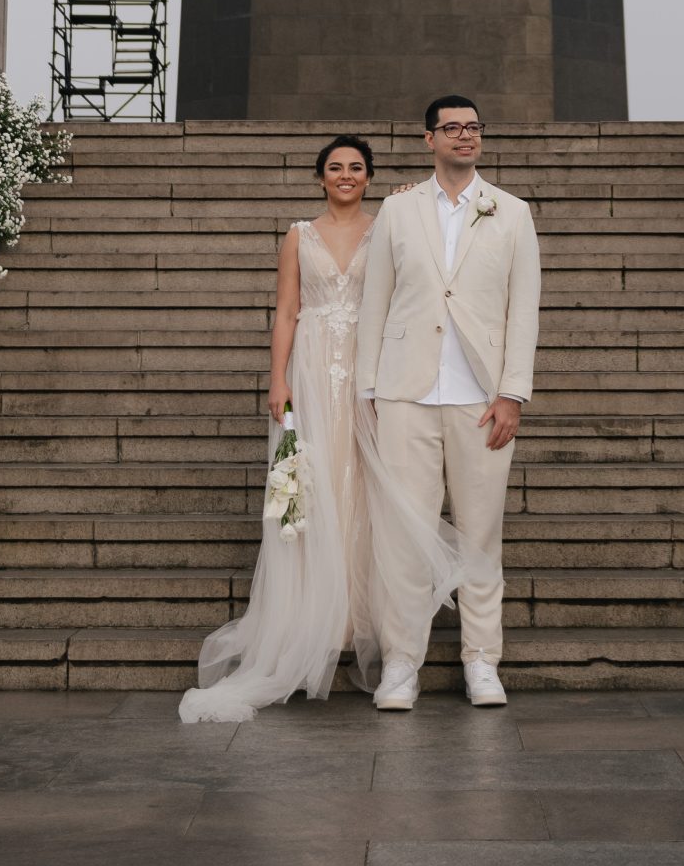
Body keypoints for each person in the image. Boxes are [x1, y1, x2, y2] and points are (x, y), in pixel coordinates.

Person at [178, 134, 461, 722]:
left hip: (366, 372)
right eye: (336, 167)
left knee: (366, 490)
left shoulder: (387, 225)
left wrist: (415, 200)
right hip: (309, 372)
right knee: (309, 490)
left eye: (357, 167)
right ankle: (310, 626)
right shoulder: (297, 236)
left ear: (370, 176)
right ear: (320, 177)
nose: (346, 175)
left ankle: (365, 623)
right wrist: (276, 378)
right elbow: (285, 310)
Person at [356, 94, 541, 708]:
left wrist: (513, 392)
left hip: (481, 401)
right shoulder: (397, 209)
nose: (465, 136)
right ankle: (401, 665)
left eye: (473, 128)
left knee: (481, 535)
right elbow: (374, 304)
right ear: (427, 139)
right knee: (404, 538)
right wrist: (369, 389)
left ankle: (482, 662)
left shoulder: (512, 213)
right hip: (406, 394)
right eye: (452, 128)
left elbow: (524, 312)